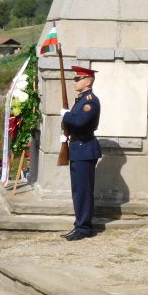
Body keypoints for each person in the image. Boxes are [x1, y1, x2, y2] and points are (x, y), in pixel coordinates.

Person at [60, 65, 102, 241]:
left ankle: (84, 228)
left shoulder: (90, 101)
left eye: (78, 79)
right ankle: (80, 224)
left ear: (88, 81)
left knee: (83, 191)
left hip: (84, 149)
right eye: (74, 79)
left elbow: (80, 121)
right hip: (78, 149)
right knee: (78, 191)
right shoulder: (81, 99)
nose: (74, 81)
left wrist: (66, 116)